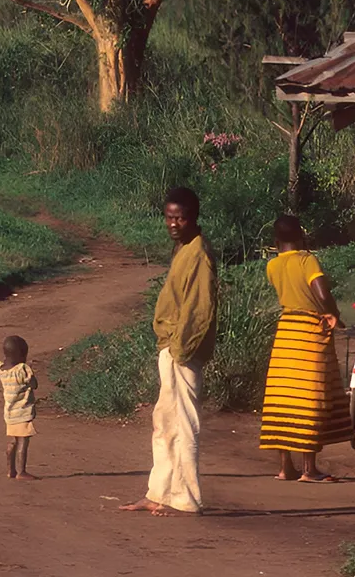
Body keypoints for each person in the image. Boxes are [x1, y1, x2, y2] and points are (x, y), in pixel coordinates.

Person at [122, 187, 217, 516]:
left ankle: (187, 498)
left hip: (182, 349)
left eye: (180, 217)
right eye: (169, 217)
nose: (173, 223)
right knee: (164, 423)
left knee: (184, 424)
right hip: (172, 346)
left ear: (193, 218)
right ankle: (159, 493)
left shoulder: (199, 253)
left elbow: (200, 309)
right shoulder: (183, 248)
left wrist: (181, 347)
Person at [258, 215, 352, 482]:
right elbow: (321, 293)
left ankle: (285, 467)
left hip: (286, 331)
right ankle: (309, 470)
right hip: (310, 332)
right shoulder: (307, 260)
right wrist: (333, 314)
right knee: (311, 398)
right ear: (302, 237)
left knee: (283, 398)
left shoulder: (273, 266)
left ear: (276, 242)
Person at [0, 335, 38, 480]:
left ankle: (10, 470)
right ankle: (21, 472)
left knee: (14, 440)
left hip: (9, 413)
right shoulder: (22, 369)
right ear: (21, 355)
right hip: (22, 412)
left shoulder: (2, 369)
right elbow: (34, 384)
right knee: (23, 442)